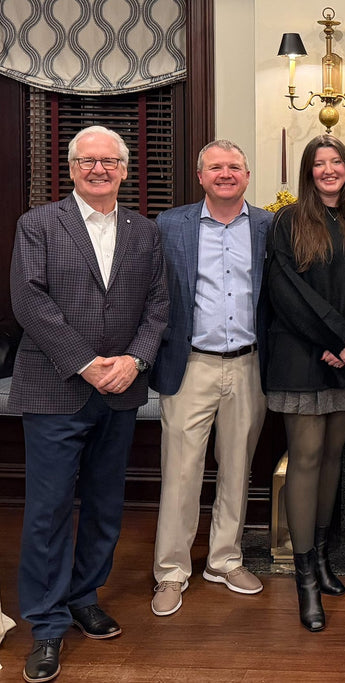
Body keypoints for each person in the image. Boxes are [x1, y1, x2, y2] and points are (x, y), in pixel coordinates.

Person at [10, 125, 168, 682]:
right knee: (49, 512)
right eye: (87, 161)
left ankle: (83, 596)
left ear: (125, 169)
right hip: (56, 387)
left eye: (109, 162)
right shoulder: (39, 225)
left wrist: (134, 361)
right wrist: (86, 363)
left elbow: (158, 305)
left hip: (120, 391)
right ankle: (47, 626)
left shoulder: (145, 232)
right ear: (72, 168)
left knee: (104, 505)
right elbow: (30, 302)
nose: (98, 169)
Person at [265, 134, 345, 631]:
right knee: (308, 456)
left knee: (335, 455)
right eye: (320, 164)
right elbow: (285, 290)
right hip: (302, 353)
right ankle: (304, 579)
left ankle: (320, 556)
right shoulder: (288, 221)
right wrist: (335, 337)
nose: (329, 170)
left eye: (337, 162)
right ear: (308, 172)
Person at [149, 140, 273, 617]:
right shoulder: (170, 225)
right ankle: (171, 572)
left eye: (234, 166)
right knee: (180, 472)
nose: (225, 173)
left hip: (249, 364)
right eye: (215, 167)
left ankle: (224, 559)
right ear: (200, 176)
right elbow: (153, 293)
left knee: (237, 467)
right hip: (190, 364)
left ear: (247, 175)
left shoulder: (267, 226)